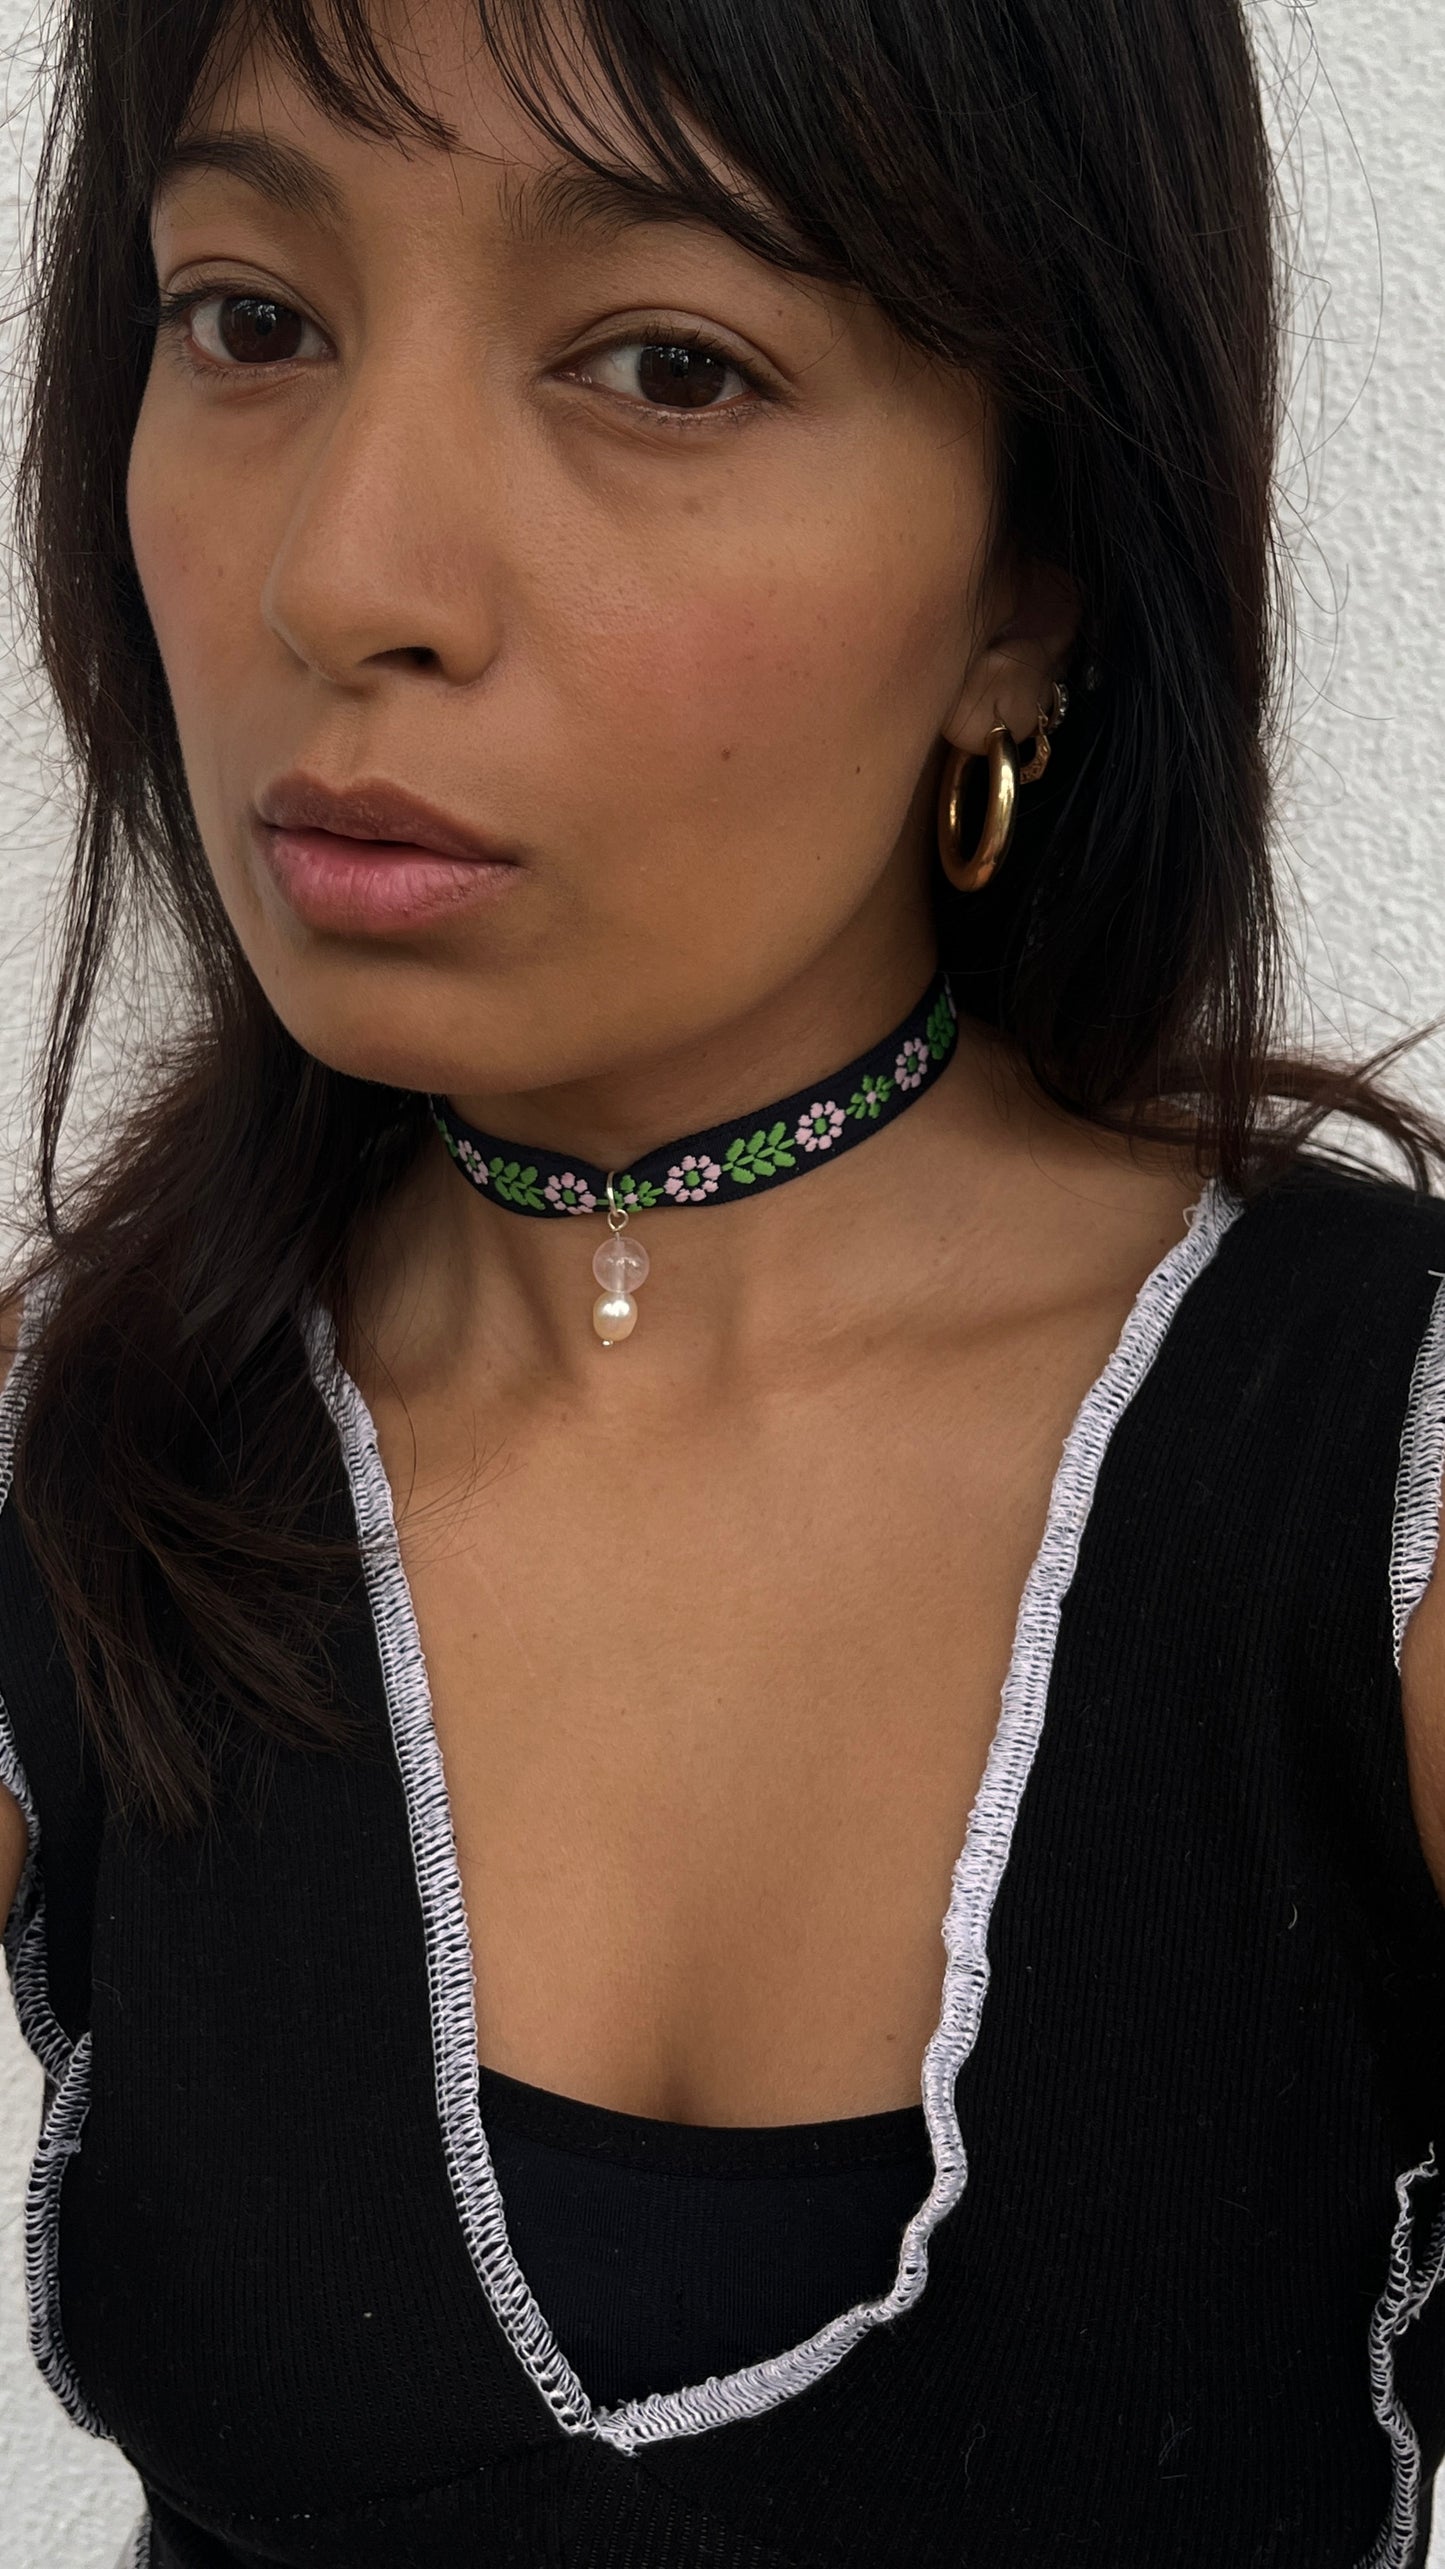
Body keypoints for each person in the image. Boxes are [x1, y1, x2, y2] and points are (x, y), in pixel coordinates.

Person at [2, 0, 1445, 2560]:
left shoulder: (1387, 1486)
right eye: (248, 317)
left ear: (1030, 577)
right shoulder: (86, 1438)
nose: (345, 576)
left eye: (667, 365)